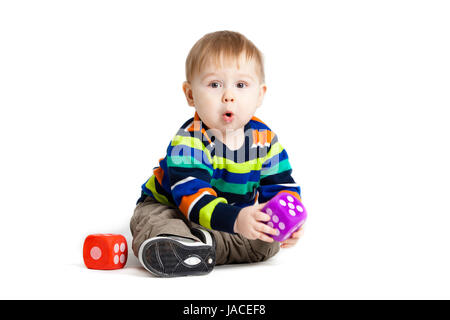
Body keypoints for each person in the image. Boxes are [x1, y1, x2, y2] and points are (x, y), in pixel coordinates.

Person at [130, 30, 305, 277]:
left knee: (266, 240)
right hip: (172, 205)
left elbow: (281, 187)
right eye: (215, 85)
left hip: (227, 216)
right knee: (157, 223)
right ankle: (176, 243)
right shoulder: (189, 141)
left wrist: (289, 221)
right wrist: (236, 219)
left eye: (241, 85)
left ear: (259, 95)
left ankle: (201, 246)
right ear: (190, 94)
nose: (228, 96)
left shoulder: (265, 141)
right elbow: (193, 198)